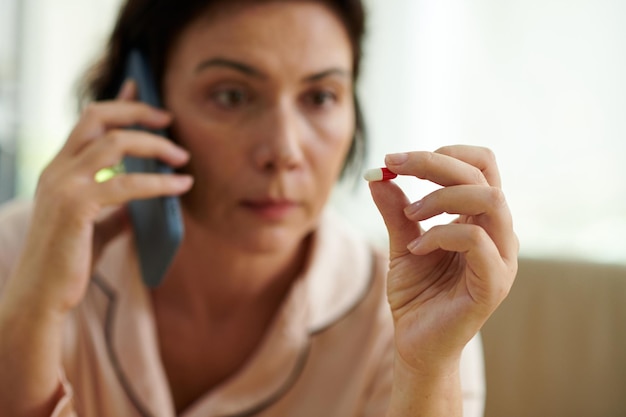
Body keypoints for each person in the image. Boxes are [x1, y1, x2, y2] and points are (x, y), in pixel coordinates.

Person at [0, 0, 518, 416]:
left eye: (319, 97)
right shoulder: (21, 252)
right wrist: (34, 308)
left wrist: (427, 370)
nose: (285, 151)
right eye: (231, 95)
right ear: (142, 106)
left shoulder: (414, 312)